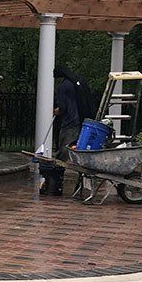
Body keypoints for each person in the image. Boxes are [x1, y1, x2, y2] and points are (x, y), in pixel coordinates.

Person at [39, 67, 87, 196]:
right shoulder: (76, 82)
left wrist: (56, 111)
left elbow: (63, 107)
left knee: (63, 153)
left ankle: (55, 183)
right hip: (80, 122)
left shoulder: (63, 87)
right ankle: (77, 183)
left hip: (69, 123)